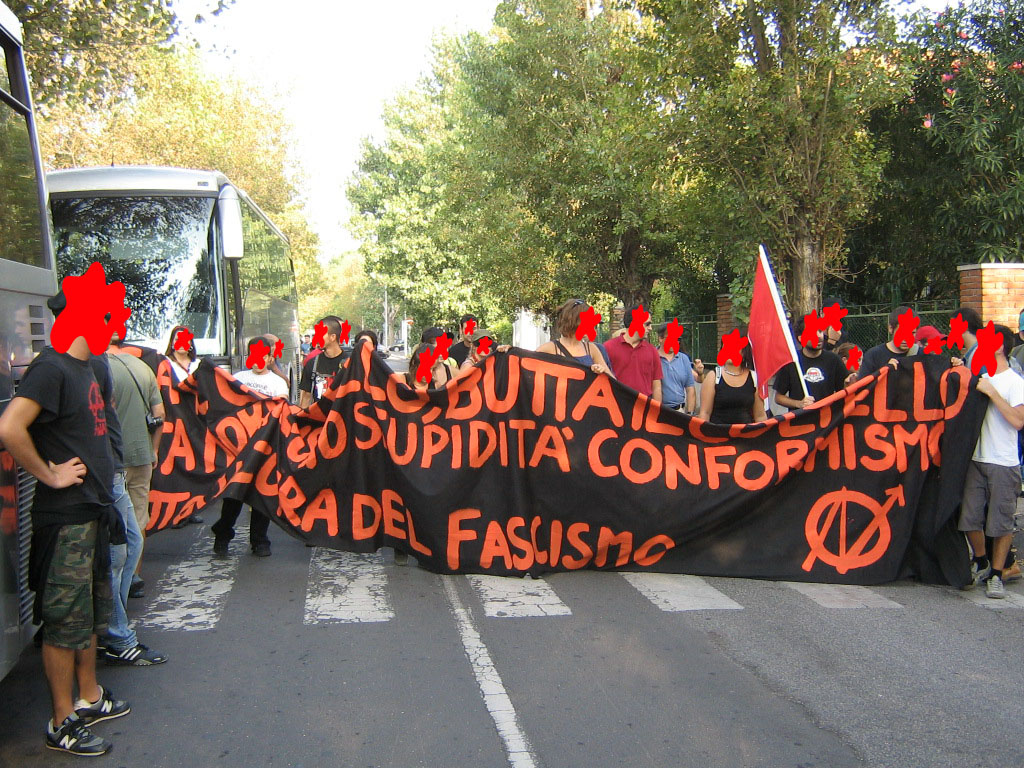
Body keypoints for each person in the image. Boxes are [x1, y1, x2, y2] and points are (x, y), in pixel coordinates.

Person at [0, 292, 130, 756]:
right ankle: (62, 721)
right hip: (65, 520)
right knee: (63, 621)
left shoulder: (87, 365)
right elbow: (10, 427)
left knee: (89, 615)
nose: (113, 327)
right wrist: (50, 474)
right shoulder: (51, 367)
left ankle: (89, 696)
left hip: (92, 511)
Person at [101, 335, 169, 666]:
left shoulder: (96, 367)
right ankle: (132, 582)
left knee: (114, 540)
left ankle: (112, 619)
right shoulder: (142, 368)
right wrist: (153, 450)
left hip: (108, 462)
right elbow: (160, 414)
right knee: (135, 526)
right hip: (140, 455)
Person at [957, 325, 1024, 599]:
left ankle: (997, 573)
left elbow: (1018, 421)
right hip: (976, 458)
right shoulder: (981, 376)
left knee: (1001, 522)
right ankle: (982, 561)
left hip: (1003, 462)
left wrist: (993, 393)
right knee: (969, 518)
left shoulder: (1015, 382)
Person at [211, 337, 289, 558]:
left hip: (265, 449)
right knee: (234, 495)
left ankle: (259, 540)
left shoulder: (278, 383)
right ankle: (222, 534)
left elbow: (281, 411)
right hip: (240, 449)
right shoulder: (238, 379)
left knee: (262, 496)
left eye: (262, 355)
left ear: (270, 357)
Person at [774, 314, 847, 411]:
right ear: (800, 338)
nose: (819, 336)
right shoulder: (792, 361)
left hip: (826, 418)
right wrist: (799, 404)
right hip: (800, 419)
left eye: (820, 331)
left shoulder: (833, 360)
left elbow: (845, 390)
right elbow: (778, 397)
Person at [698, 333, 767, 424]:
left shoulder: (754, 378)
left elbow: (760, 416)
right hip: (718, 431)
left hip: (745, 431)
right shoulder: (714, 377)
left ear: (744, 351)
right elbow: (704, 413)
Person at [536, 300, 613, 377]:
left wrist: (601, 372)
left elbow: (612, 381)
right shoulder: (548, 349)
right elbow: (532, 374)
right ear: (573, 322)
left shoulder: (592, 349)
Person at [601, 305, 661, 399]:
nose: (650, 328)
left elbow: (656, 385)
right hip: (617, 403)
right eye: (647, 324)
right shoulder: (608, 347)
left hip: (644, 404)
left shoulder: (652, 351)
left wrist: (657, 408)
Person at [856, 306, 921, 379]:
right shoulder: (873, 355)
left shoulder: (922, 354)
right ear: (890, 328)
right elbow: (864, 384)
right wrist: (884, 372)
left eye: (912, 333)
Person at [299, 316, 346, 408]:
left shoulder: (350, 363)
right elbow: (306, 397)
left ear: (333, 337)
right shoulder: (312, 364)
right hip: (319, 416)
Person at [655, 323, 696, 413]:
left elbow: (690, 388)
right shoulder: (652, 357)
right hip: (659, 411)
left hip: (680, 411)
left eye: (677, 339)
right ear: (660, 338)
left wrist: (690, 413)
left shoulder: (683, 359)